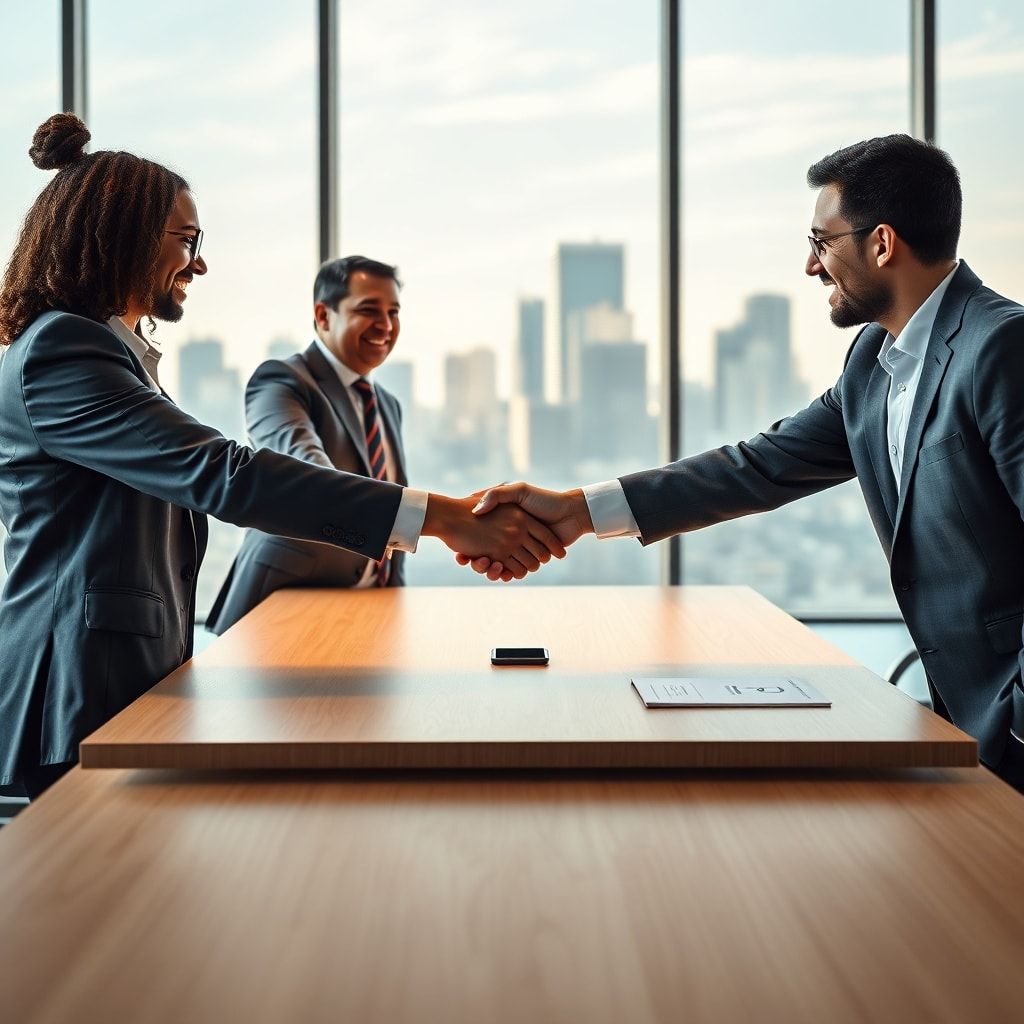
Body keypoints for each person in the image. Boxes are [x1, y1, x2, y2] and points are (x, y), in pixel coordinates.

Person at [0, 114, 565, 798]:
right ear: (123, 236)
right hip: (73, 681)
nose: (200, 262)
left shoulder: (103, 351)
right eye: (187, 240)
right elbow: (225, 473)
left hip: (115, 672)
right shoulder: (66, 351)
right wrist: (444, 518)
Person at [467, 134, 1024, 793]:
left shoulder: (1001, 347)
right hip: (962, 731)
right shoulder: (873, 363)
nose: (812, 266)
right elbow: (757, 466)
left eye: (822, 241)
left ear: (881, 243)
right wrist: (577, 513)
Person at [207, 256, 409, 634]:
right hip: (278, 611)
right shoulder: (282, 381)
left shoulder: (387, 405)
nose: (385, 325)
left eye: (394, 312)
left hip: (366, 613)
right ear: (323, 315)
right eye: (369, 310)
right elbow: (308, 475)